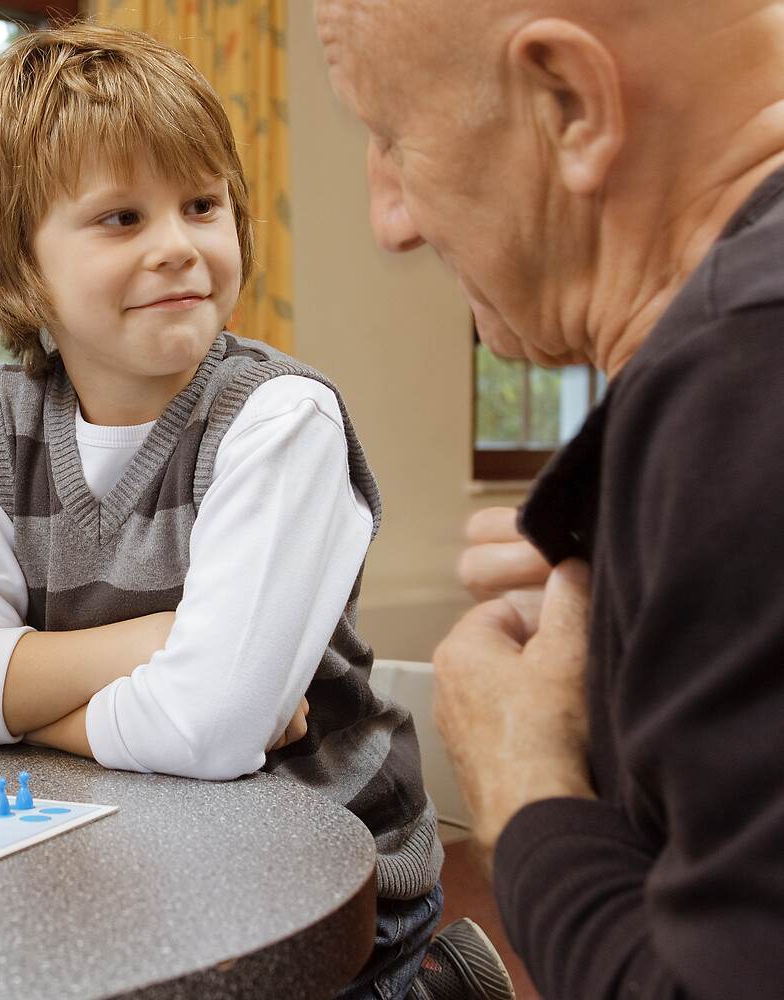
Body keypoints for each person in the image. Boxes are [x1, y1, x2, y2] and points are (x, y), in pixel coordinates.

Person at [0, 25, 497, 1000]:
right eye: (121, 218)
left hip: (323, 887)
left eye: (202, 204)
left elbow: (209, 729)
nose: (178, 246)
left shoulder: (278, 418)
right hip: (117, 857)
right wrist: (164, 641)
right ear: (21, 264)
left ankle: (436, 981)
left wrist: (16, 714)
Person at [315, 0, 784, 996]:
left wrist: (520, 772)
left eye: (393, 137)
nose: (388, 220)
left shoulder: (744, 377)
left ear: (570, 102)